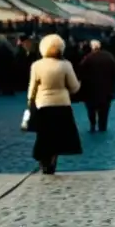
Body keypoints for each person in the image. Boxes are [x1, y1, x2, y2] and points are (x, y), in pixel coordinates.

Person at [27, 34, 83, 175]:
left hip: (43, 104)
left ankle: (43, 160)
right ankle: (52, 161)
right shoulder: (65, 65)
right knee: (57, 135)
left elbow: (32, 87)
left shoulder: (37, 65)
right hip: (61, 104)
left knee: (44, 134)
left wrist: (30, 101)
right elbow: (74, 87)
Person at [78, 39, 115, 132]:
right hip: (106, 88)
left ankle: (92, 124)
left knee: (91, 108)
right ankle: (102, 126)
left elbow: (81, 73)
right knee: (104, 109)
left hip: (91, 89)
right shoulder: (109, 56)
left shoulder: (87, 58)